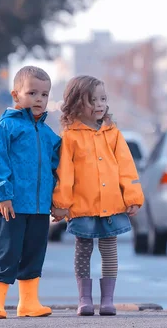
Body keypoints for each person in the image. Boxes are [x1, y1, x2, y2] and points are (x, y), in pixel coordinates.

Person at [51, 75, 144, 316]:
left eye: (103, 98)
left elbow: (126, 167)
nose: (100, 104)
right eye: (93, 100)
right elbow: (65, 174)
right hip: (82, 206)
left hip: (112, 205)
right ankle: (84, 300)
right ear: (76, 104)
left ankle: (108, 300)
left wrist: (132, 196)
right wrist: (61, 204)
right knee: (83, 250)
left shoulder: (113, 133)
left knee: (110, 249)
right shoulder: (70, 136)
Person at [0, 66, 61, 319]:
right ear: (16, 95)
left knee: (35, 252)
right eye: (32, 93)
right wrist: (2, 194)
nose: (39, 99)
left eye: (45, 94)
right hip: (12, 205)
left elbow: (57, 171)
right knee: (9, 252)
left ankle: (29, 303)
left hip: (39, 208)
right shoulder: (7, 127)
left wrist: (57, 202)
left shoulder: (49, 135)